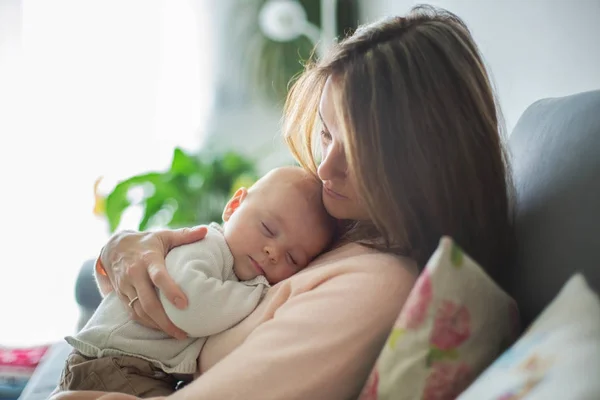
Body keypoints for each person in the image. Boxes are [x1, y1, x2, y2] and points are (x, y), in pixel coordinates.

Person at [52, 5, 515, 400]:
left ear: (426, 161)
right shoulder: (341, 218)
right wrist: (128, 246)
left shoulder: (379, 283)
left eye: (359, 154)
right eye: (327, 133)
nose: (326, 169)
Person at [55, 166, 335, 397]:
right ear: (233, 206)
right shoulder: (206, 244)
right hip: (113, 362)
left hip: (137, 368)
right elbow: (187, 306)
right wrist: (259, 293)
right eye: (267, 229)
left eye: (293, 258)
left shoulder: (230, 270)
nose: (273, 252)